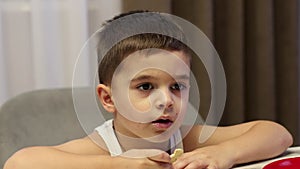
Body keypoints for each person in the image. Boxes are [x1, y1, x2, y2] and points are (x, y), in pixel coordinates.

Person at [4, 11, 293, 169]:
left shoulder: (187, 138)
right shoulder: (103, 147)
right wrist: (117, 166)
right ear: (108, 98)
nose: (166, 100)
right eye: (145, 86)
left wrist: (224, 154)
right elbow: (20, 163)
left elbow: (277, 134)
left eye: (177, 86)